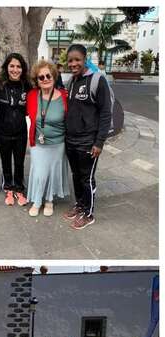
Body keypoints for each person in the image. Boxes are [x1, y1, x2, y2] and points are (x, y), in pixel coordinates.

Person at [63, 43, 113, 230]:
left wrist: (99, 142)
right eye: (70, 61)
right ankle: (80, 205)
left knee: (87, 178)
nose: (73, 64)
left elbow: (106, 113)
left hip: (88, 142)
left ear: (85, 59)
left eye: (77, 60)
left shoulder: (97, 80)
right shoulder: (71, 81)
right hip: (71, 140)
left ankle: (89, 213)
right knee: (76, 176)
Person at [25, 60, 70, 217]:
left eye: (48, 76)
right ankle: (37, 201)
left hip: (58, 143)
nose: (45, 79)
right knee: (40, 173)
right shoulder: (32, 96)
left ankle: (49, 200)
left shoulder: (64, 96)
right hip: (38, 143)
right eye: (41, 77)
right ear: (36, 80)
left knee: (52, 172)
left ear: (54, 76)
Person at [0, 53, 30, 206]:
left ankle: (19, 189)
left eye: (18, 66)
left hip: (20, 131)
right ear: (6, 67)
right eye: (12, 66)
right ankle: (8, 187)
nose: (15, 69)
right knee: (6, 161)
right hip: (2, 131)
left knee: (20, 163)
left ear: (23, 69)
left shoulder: (27, 85)